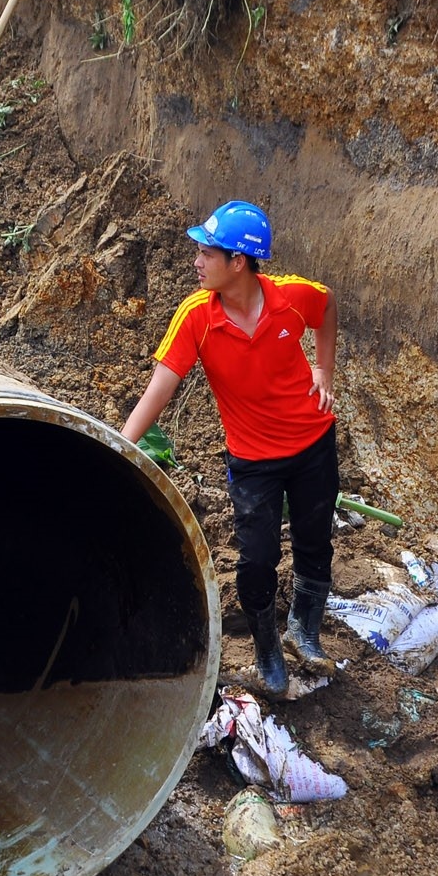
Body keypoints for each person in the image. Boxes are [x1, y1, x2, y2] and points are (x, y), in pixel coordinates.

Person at [121, 201, 339, 699]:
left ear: (238, 261)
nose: (196, 261)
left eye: (206, 252)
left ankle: (303, 630)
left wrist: (323, 370)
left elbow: (327, 306)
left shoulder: (290, 298)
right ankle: (266, 648)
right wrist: (119, 448)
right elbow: (160, 388)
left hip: (312, 444)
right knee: (257, 560)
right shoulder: (196, 316)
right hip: (254, 461)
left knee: (314, 541)